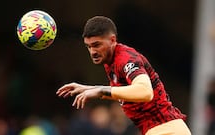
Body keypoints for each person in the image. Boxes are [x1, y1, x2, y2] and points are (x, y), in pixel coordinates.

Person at [56, 16, 191, 135]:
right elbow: (124, 92)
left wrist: (100, 90)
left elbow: (145, 91)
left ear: (112, 40)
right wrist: (88, 89)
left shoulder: (126, 59)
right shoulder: (110, 62)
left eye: (97, 45)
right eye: (88, 46)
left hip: (168, 130)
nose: (92, 51)